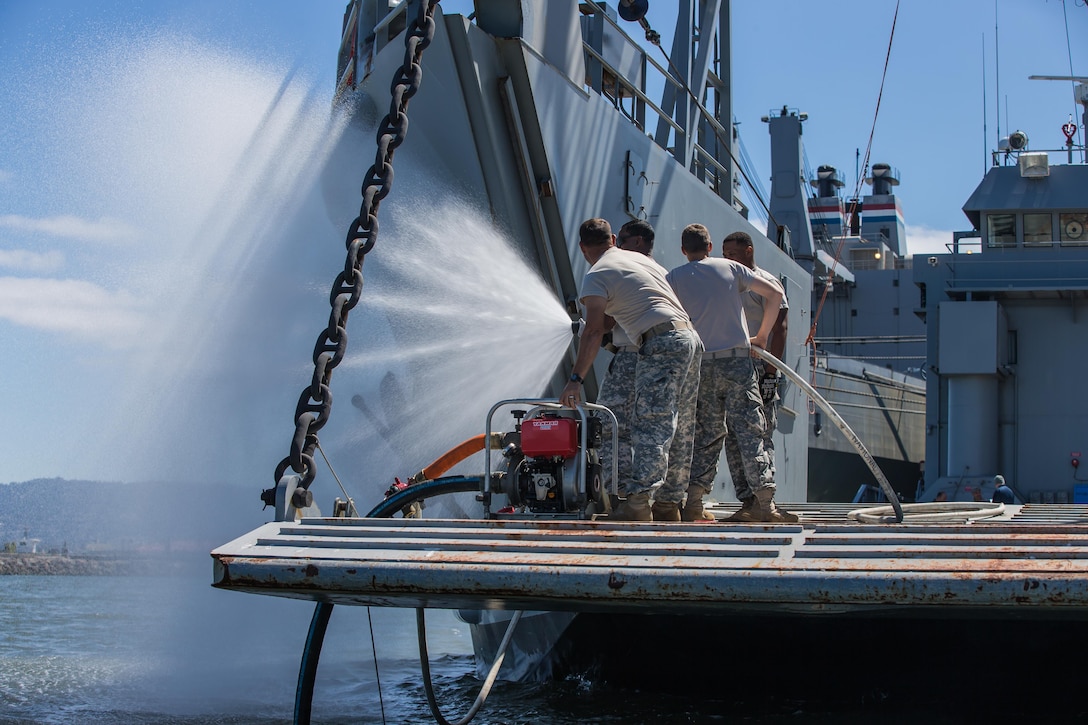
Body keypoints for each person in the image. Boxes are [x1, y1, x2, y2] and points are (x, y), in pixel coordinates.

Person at [559, 218, 702, 521]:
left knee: (652, 422)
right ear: (612, 238)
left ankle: (637, 504)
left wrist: (575, 380)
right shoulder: (640, 260)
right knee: (681, 426)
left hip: (660, 342)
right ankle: (668, 505)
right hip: (689, 339)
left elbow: (595, 332)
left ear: (583, 248)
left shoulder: (596, 274)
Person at [666, 224, 796, 523]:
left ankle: (695, 504)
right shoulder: (730, 268)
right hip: (737, 363)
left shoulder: (673, 277)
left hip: (700, 365)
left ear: (684, 250)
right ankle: (765, 505)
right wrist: (761, 336)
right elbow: (775, 294)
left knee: (707, 435)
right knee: (752, 432)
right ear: (709, 246)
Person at [720, 230, 788, 520]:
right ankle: (746, 502)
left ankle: (765, 501)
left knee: (760, 431)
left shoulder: (765, 282)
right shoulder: (727, 282)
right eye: (724, 255)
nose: (728, 260)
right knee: (732, 436)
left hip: (760, 364)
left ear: (748, 251)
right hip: (733, 364)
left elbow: (781, 327)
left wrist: (771, 372)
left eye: (733, 254)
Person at [595, 219, 656, 498]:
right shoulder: (657, 272)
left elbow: (605, 323)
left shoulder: (621, 269)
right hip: (660, 355)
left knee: (612, 426)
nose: (618, 246)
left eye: (624, 240)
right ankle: (652, 496)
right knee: (655, 426)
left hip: (630, 356)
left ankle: (621, 494)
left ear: (638, 242)